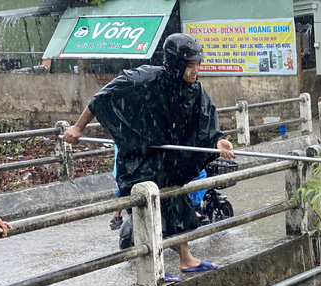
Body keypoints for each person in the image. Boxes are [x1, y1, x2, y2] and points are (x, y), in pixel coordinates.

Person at [63, 33, 234, 273]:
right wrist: (78, 127)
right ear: (176, 65)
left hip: (167, 162)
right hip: (140, 158)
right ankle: (153, 271)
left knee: (176, 205)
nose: (195, 71)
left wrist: (218, 141)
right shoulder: (145, 78)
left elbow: (206, 118)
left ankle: (186, 259)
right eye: (190, 65)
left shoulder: (194, 89)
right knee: (150, 212)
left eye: (197, 64)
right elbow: (103, 97)